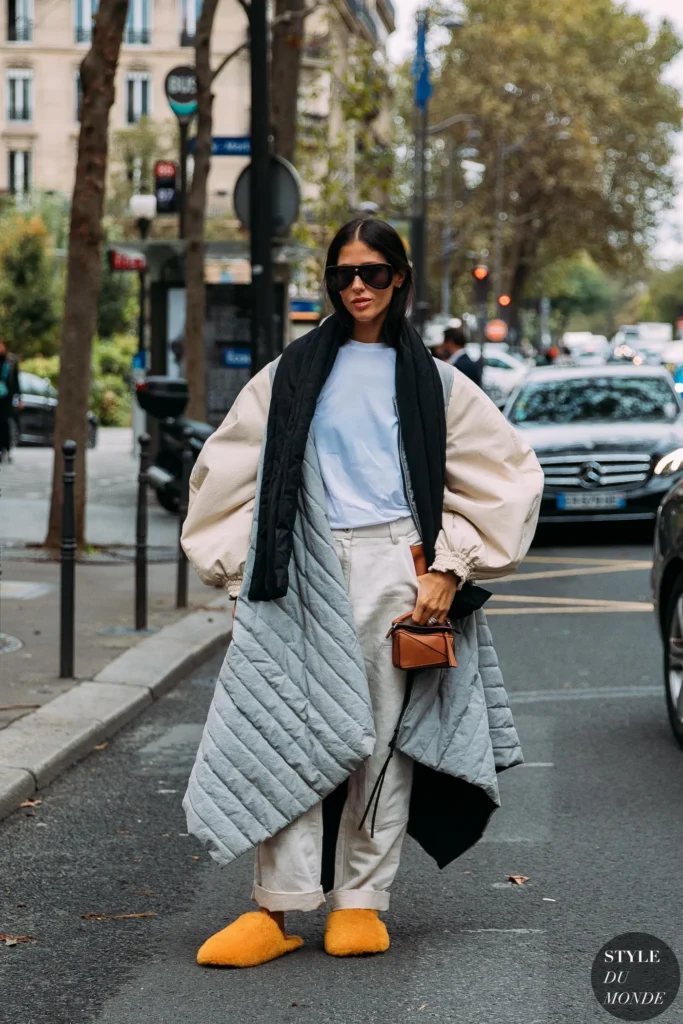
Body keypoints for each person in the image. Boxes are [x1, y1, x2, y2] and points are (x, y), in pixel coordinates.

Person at [181, 219, 544, 969]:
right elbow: (225, 471)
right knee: (288, 730)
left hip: (395, 565)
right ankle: (276, 909)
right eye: (345, 273)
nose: (358, 286)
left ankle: (359, 901)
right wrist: (236, 570)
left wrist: (449, 566)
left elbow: (507, 475)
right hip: (299, 565)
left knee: (381, 740)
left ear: (399, 280)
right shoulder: (288, 374)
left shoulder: (436, 382)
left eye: (374, 273)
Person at [0, 340, 20, 463]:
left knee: (5, 424)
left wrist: (19, 398)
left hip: (6, 400)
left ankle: (6, 449)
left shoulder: (10, 361)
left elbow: (16, 381)